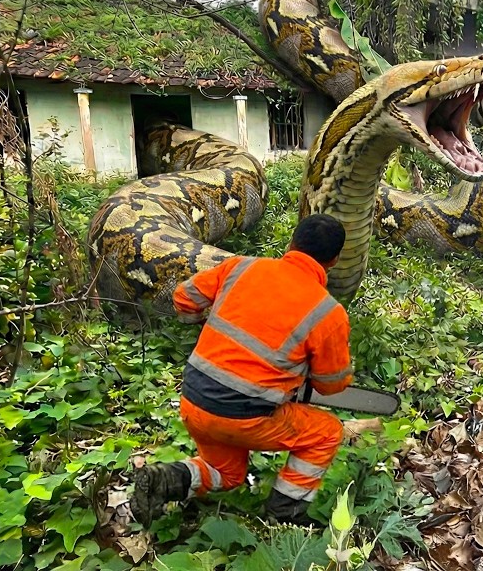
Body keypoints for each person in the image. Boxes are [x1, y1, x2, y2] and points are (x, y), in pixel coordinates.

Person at [131, 214, 354, 526]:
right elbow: (331, 386)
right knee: (326, 432)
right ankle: (285, 515)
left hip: (194, 401)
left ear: (292, 243)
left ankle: (162, 480)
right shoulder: (328, 313)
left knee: (227, 474)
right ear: (334, 260)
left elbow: (184, 296)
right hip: (244, 417)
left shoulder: (242, 266)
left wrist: (197, 323)